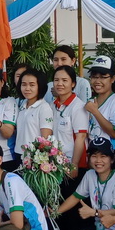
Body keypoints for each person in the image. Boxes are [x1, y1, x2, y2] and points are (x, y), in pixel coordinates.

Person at [49, 64, 87, 200]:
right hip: (55, 165)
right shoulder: (52, 105)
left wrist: (74, 164)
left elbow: (81, 137)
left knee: (70, 204)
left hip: (72, 165)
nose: (60, 84)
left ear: (73, 84)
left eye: (64, 80)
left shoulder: (78, 106)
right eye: (56, 80)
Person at [14, 68, 55, 167]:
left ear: (40, 86)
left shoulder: (44, 108)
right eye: (24, 84)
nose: (27, 88)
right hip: (18, 154)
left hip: (34, 158)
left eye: (32, 85)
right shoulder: (22, 105)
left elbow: (46, 139)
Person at [82, 56, 115, 145]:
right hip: (91, 150)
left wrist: (95, 112)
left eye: (103, 77)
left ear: (112, 79)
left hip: (108, 152)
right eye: (94, 77)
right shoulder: (90, 101)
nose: (97, 81)